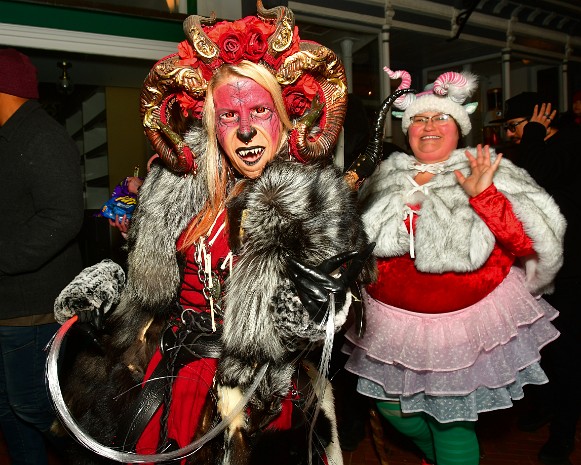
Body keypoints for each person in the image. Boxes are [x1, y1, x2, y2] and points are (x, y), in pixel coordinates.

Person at [49, 4, 377, 465]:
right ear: (211, 122)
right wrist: (108, 294)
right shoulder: (175, 185)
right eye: (229, 115)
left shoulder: (317, 197)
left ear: (283, 117)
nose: (244, 129)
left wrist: (310, 308)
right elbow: (153, 288)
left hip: (260, 391)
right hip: (175, 374)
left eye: (260, 110)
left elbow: (338, 303)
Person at [343, 68, 566, 465]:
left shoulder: (491, 167)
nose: (428, 126)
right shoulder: (382, 176)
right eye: (419, 119)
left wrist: (486, 197)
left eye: (440, 117)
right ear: (407, 128)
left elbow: (531, 243)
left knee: (452, 426)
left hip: (460, 327)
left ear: (459, 127)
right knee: (396, 411)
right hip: (390, 323)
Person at [0, 48, 84, 464]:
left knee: (34, 406)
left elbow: (63, 216)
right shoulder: (10, 138)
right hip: (9, 306)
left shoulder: (41, 136)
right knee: (8, 410)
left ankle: (95, 457)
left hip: (34, 309)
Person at [500, 91, 581, 465]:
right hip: (543, 270)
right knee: (541, 348)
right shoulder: (539, 150)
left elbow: (534, 179)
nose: (512, 136)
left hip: (573, 274)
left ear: (540, 119)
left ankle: (563, 434)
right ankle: (547, 406)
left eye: (516, 127)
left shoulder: (572, 143)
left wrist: (533, 133)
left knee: (567, 356)